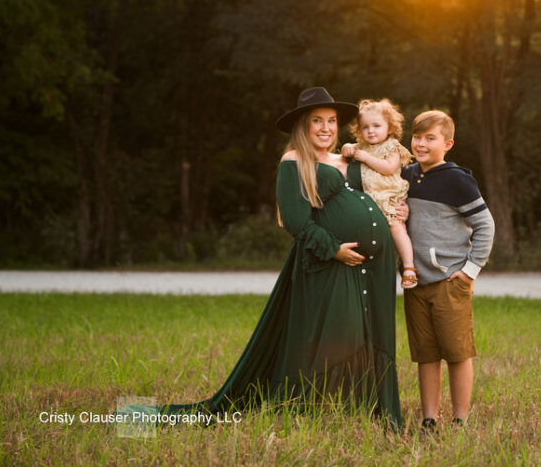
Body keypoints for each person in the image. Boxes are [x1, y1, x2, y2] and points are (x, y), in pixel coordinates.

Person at [141, 87, 402, 429]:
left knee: (373, 335)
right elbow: (296, 221)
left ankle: (369, 413)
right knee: (339, 334)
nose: (326, 128)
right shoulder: (294, 161)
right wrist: (333, 249)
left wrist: (400, 207)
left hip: (374, 267)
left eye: (332, 121)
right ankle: (308, 412)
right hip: (329, 262)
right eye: (317, 121)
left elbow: (387, 185)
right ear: (302, 126)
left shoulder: (350, 159)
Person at [400, 109, 495, 431]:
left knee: (456, 352)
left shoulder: (456, 179)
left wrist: (470, 271)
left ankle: (460, 418)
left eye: (430, 138)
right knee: (425, 354)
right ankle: (429, 417)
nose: (422, 143)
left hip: (449, 280)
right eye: (417, 137)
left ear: (448, 143)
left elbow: (485, 226)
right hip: (415, 280)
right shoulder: (408, 175)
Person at [340, 99, 417, 288]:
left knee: (397, 228)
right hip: (368, 198)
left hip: (388, 196)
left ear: (390, 128)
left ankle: (409, 268)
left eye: (376, 125)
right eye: (365, 127)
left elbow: (389, 168)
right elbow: (345, 153)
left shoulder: (392, 146)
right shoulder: (361, 146)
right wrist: (346, 148)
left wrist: (366, 158)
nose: (370, 130)